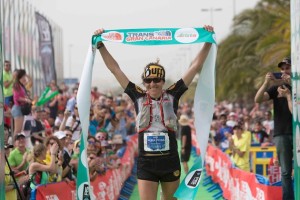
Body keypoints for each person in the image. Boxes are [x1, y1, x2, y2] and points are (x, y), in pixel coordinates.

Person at [94, 25, 214, 200]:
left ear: (163, 81)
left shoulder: (173, 94)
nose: (153, 84)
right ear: (144, 83)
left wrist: (207, 40)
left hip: (169, 161)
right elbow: (115, 69)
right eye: (148, 81)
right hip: (146, 163)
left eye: (157, 80)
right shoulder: (137, 96)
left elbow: (195, 66)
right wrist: (101, 45)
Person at [254, 57, 293, 200]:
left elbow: (295, 113)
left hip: (297, 132)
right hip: (281, 133)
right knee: (285, 172)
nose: (284, 72)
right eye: (282, 69)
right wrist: (265, 83)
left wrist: (289, 93)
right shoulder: (276, 88)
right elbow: (257, 99)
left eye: (287, 68)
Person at [11, 69, 32, 136]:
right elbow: (17, 98)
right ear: (19, 77)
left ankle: (14, 144)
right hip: (17, 108)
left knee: (19, 130)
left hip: (21, 108)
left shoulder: (21, 85)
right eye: (23, 77)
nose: (24, 78)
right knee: (17, 130)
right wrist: (26, 100)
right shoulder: (17, 85)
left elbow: (30, 82)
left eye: (24, 77)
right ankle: (13, 145)